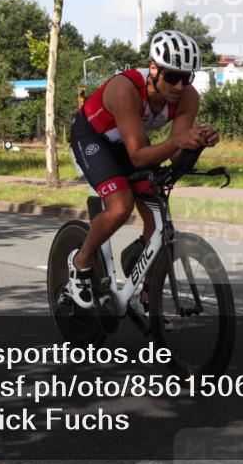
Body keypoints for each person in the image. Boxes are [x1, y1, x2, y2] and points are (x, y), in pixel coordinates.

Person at [66, 30, 219, 310]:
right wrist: (176, 141)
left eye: (187, 78)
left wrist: (197, 142)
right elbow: (137, 157)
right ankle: (80, 262)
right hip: (93, 137)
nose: (179, 86)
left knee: (157, 212)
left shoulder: (187, 98)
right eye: (172, 76)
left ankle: (149, 294)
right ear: (153, 69)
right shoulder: (125, 90)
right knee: (120, 206)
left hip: (128, 140)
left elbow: (175, 156)